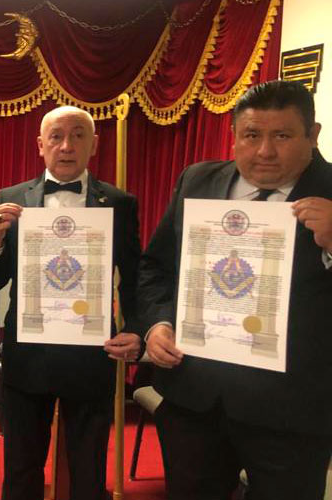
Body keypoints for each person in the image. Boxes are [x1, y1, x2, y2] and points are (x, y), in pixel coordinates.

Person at [138, 80, 332, 499]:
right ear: (233, 136)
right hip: (195, 399)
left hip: (293, 411)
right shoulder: (197, 180)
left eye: (282, 136)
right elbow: (156, 267)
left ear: (312, 135)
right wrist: (158, 324)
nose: (264, 151)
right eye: (251, 135)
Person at [0, 105, 143, 500]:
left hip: (91, 354)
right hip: (27, 354)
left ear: (94, 144)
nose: (67, 146)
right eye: (56, 137)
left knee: (89, 469)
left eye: (77, 136)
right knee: (21, 467)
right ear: (41, 145)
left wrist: (136, 329)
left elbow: (135, 275)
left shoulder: (118, 203)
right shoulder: (11, 199)